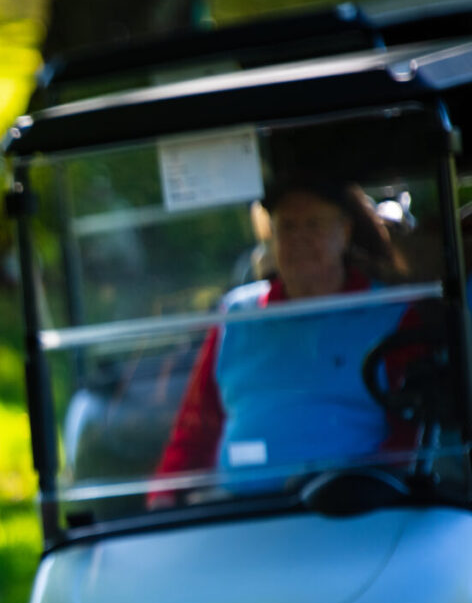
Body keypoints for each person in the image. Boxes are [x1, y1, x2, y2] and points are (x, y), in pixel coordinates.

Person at [154, 176, 410, 495]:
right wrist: (164, 495)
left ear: (344, 232)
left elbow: (412, 434)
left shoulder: (392, 311)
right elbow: (196, 427)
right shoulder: (236, 313)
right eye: (287, 227)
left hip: (356, 509)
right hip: (240, 510)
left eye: (314, 225)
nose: (299, 239)